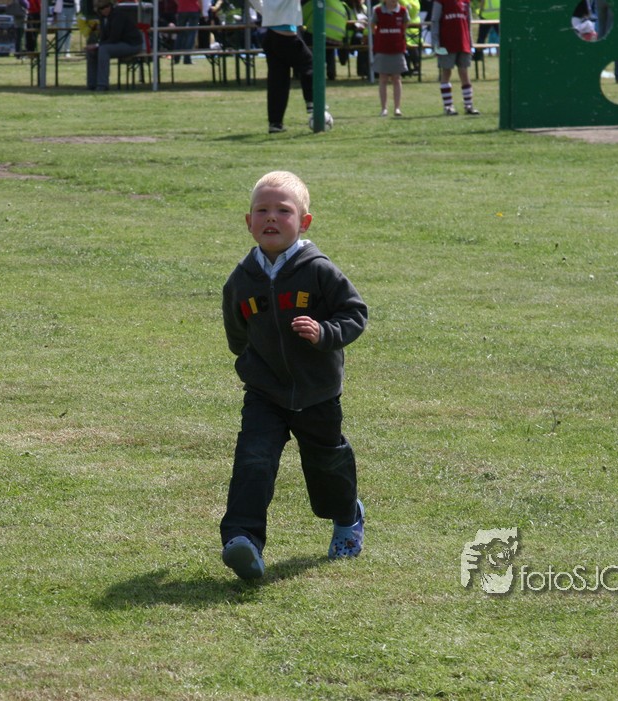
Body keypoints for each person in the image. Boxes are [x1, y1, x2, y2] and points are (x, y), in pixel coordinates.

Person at [220, 170, 368, 581]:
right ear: (248, 222)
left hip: (316, 391)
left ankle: (346, 516)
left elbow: (354, 313)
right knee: (253, 460)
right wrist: (251, 362)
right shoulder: (241, 279)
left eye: (283, 211)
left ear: (304, 222)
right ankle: (243, 540)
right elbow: (237, 332)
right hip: (264, 392)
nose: (271, 217)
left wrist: (325, 333)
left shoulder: (318, 270)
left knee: (325, 464)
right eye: (261, 210)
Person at [252, 0, 314, 133]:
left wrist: (267, 13)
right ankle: (312, 102)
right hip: (286, 35)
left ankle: (275, 123)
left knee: (278, 81)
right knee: (309, 64)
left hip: (271, 35)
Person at [430, 0, 477, 115]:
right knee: (446, 72)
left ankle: (468, 105)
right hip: (446, 44)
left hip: (463, 43)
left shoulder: (465, 1)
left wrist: (470, 43)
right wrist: (435, 44)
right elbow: (435, 21)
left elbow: (468, 22)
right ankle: (448, 106)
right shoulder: (440, 1)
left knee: (464, 73)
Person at [85, 0, 144, 91]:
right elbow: (104, 37)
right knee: (92, 52)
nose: (101, 11)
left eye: (102, 8)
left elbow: (114, 38)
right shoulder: (103, 17)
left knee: (104, 49)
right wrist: (95, 46)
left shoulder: (118, 16)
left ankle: (102, 85)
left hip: (132, 44)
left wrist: (97, 45)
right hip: (118, 44)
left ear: (108, 7)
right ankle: (92, 84)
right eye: (99, 10)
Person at [373, 0, 409, 116]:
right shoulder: (378, 11)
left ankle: (397, 108)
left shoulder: (403, 10)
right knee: (383, 78)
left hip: (397, 49)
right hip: (382, 49)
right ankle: (384, 108)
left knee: (396, 78)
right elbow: (373, 26)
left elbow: (405, 25)